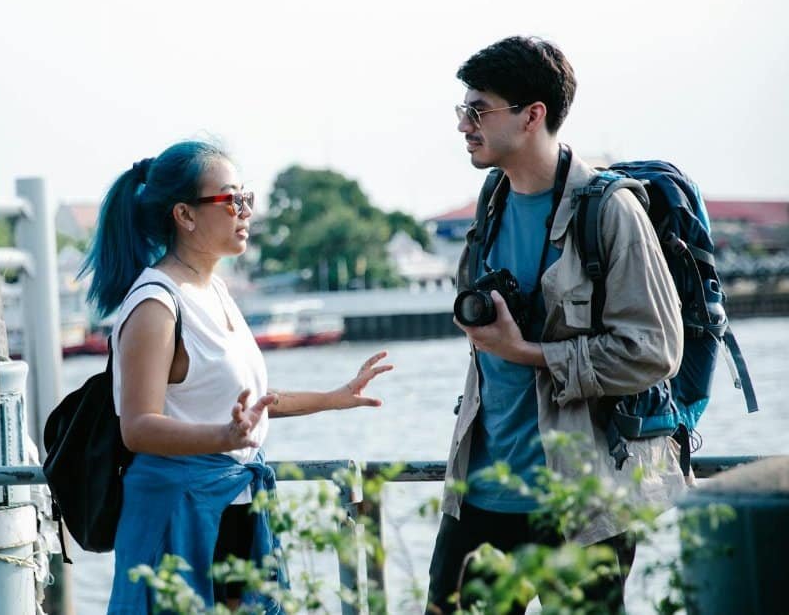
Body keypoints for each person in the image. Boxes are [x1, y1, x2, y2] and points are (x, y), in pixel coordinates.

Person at [426, 37, 686, 614]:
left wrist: (530, 352)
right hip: (480, 494)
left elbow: (655, 350)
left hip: (581, 501)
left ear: (531, 115)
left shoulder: (610, 210)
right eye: (462, 110)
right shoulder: (490, 198)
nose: (464, 125)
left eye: (479, 110)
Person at [80, 140, 393, 613]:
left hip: (235, 499)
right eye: (231, 200)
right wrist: (223, 435)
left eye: (247, 198)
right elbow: (138, 427)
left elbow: (249, 403)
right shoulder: (155, 303)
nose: (245, 211)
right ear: (184, 215)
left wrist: (334, 397)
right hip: (177, 509)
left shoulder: (214, 289)